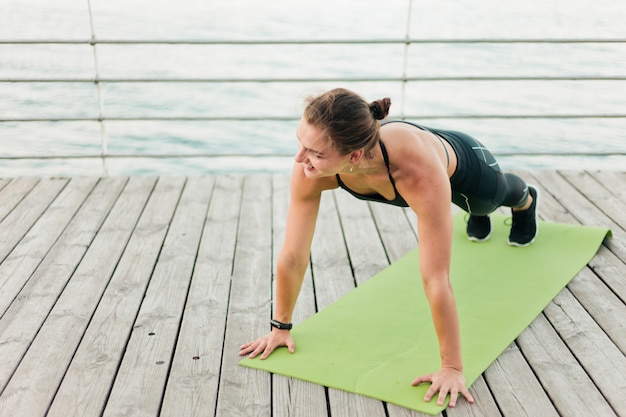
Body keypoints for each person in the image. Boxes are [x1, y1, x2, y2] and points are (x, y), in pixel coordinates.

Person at [239, 87, 538, 408]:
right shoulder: (311, 169)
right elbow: (293, 255)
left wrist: (452, 368)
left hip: (464, 168)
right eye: (300, 143)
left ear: (353, 156)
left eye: (314, 152)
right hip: (407, 160)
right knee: (471, 216)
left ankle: (525, 202)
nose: (299, 159)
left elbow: (436, 279)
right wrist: (280, 328)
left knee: (490, 202)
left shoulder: (417, 173)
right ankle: (475, 216)